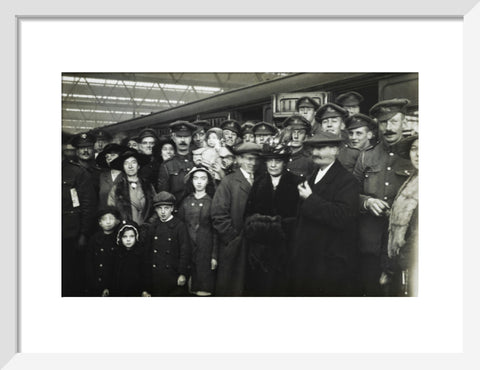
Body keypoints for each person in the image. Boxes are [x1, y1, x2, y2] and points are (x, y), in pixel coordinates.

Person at [353, 98, 415, 296]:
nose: (388, 128)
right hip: (370, 240)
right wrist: (366, 202)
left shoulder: (414, 154)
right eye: (383, 122)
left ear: (404, 123)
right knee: (371, 290)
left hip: (401, 243)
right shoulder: (365, 156)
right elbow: (350, 193)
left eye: (394, 122)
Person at [290, 131, 359, 296]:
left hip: (328, 261)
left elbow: (342, 216)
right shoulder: (313, 176)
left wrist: (311, 199)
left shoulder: (346, 180)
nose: (315, 153)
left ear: (335, 150)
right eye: (314, 148)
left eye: (321, 148)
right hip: (309, 259)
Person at [243, 142, 301, 296]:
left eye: (278, 161)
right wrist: (262, 227)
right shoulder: (259, 182)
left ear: (285, 162)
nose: (273, 165)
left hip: (286, 250)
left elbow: (300, 217)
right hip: (259, 251)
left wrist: (279, 227)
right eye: (270, 160)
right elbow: (248, 214)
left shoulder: (296, 182)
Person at [211, 142, 262, 296]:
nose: (252, 163)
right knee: (233, 287)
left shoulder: (262, 179)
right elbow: (218, 214)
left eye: (255, 159)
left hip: (257, 245)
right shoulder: (229, 181)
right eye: (248, 159)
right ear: (238, 160)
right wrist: (233, 238)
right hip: (235, 246)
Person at [383, 135, 418, 296]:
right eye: (414, 149)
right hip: (403, 262)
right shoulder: (414, 178)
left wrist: (395, 266)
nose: (418, 155)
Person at [178, 166, 218, 296]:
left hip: (205, 249)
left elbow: (215, 231)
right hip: (187, 248)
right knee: (187, 287)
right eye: (195, 178)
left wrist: (214, 256)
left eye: (203, 178)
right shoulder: (186, 202)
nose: (199, 182)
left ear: (208, 181)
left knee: (203, 288)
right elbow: (180, 226)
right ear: (191, 181)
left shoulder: (212, 202)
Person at [142, 191, 191, 297]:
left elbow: (185, 252)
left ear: (172, 208)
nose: (163, 212)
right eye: (159, 208)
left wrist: (182, 274)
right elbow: (147, 255)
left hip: (173, 277)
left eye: (166, 208)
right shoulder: (153, 227)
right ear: (155, 210)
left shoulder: (179, 226)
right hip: (156, 278)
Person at [62, 154, 97, 296]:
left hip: (70, 234)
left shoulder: (77, 172)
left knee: (70, 276)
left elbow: (88, 205)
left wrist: (84, 233)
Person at [108, 149, 155, 225]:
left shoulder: (148, 186)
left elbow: (156, 207)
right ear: (123, 167)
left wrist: (149, 223)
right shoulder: (117, 188)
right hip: (127, 231)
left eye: (133, 162)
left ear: (138, 166)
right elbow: (111, 210)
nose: (130, 166)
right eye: (126, 163)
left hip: (146, 229)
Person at [156, 121, 196, 206]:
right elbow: (163, 196)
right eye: (179, 136)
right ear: (174, 138)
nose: (183, 140)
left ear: (191, 138)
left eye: (186, 136)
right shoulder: (166, 165)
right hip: (177, 212)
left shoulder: (197, 161)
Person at [85, 207, 121, 297]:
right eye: (104, 219)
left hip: (112, 282)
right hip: (96, 281)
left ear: (117, 221)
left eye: (111, 218)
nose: (108, 222)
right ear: (100, 223)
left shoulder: (119, 239)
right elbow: (89, 261)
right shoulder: (94, 239)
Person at [111, 220, 145, 297]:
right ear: (120, 238)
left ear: (136, 236)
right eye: (125, 236)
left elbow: (145, 274)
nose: (128, 239)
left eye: (131, 236)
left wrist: (144, 290)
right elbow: (112, 274)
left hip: (136, 291)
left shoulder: (140, 254)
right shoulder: (117, 254)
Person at [95, 143, 128, 209]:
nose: (109, 158)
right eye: (107, 156)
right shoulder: (101, 176)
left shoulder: (128, 175)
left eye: (113, 155)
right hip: (105, 216)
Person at [282, 114, 314, 179]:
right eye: (292, 132)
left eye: (300, 133)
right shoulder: (280, 155)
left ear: (306, 136)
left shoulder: (310, 159)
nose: (296, 136)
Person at [71, 132, 101, 196]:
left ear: (93, 150)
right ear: (76, 151)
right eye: (82, 148)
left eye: (89, 148)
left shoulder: (99, 172)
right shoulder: (70, 171)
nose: (86, 151)